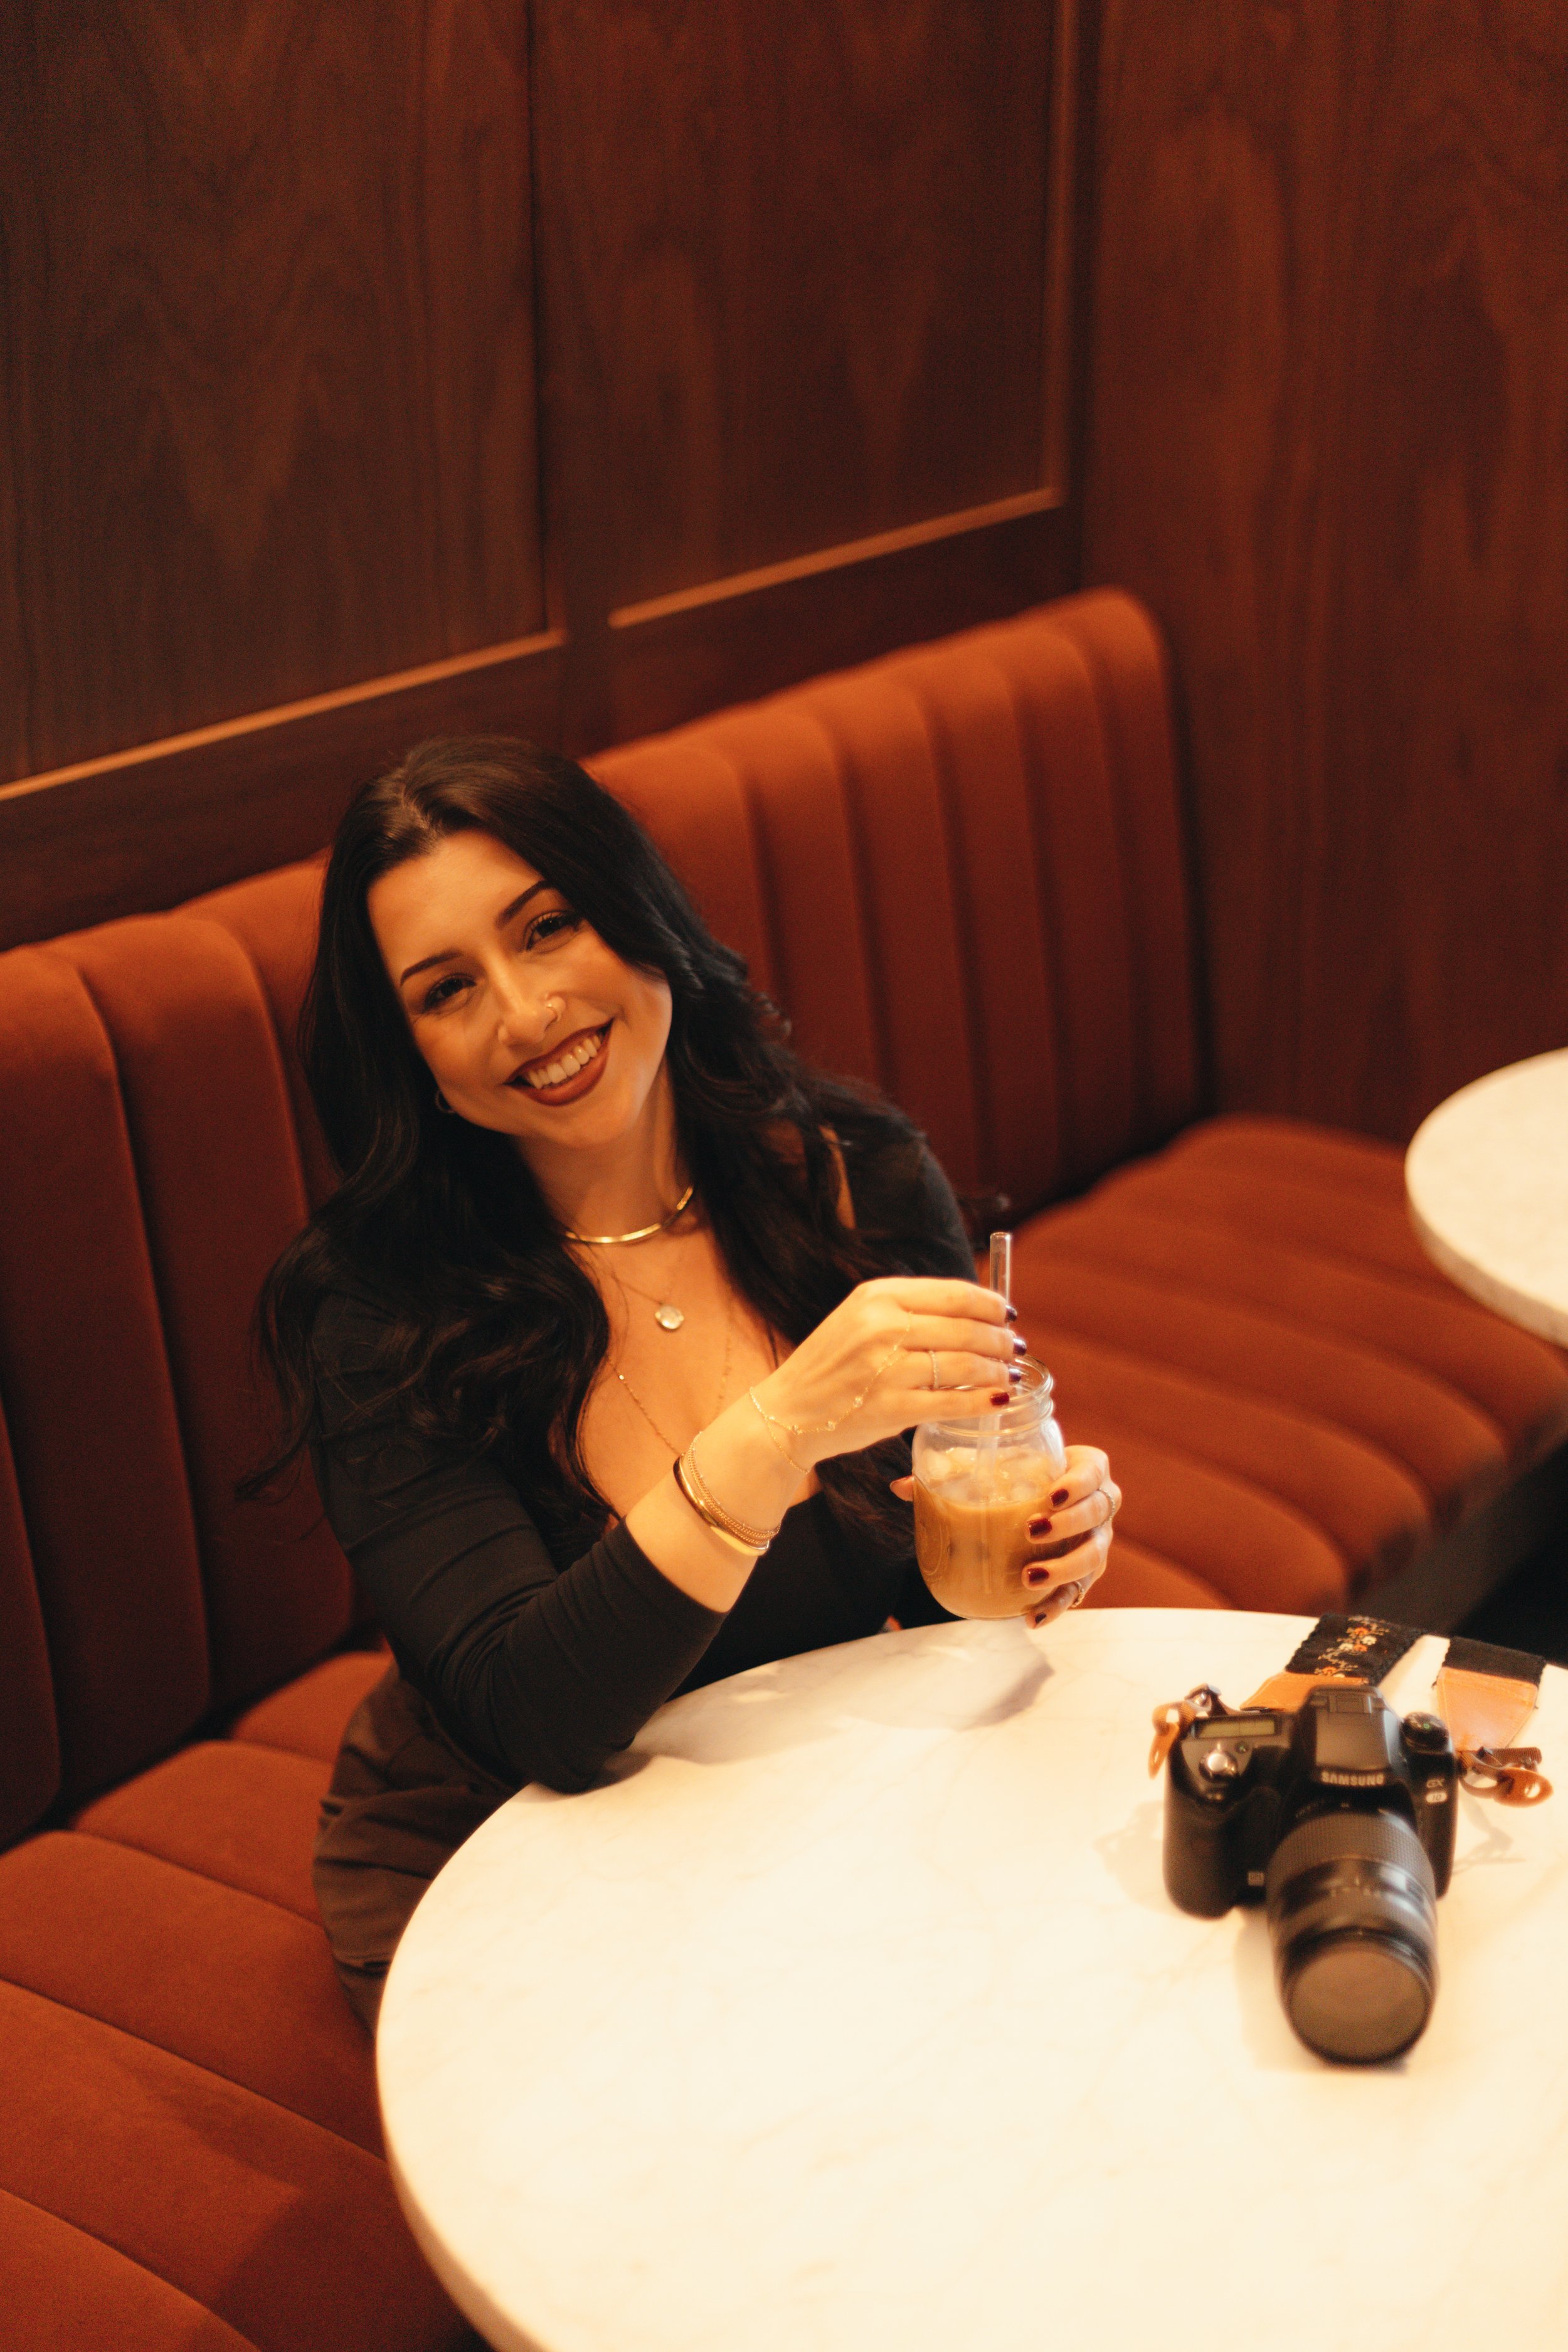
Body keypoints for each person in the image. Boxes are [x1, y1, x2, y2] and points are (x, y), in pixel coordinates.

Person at [249, 738, 1121, 2027]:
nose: (525, 1013)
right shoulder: (379, 1310)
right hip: (497, 1855)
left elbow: (923, 1594)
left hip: (763, 1805)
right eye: (448, 990)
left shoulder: (851, 1183)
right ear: (414, 1055)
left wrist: (1026, 1547)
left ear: (635, 906)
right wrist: (777, 1428)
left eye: (547, 927)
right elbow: (538, 1718)